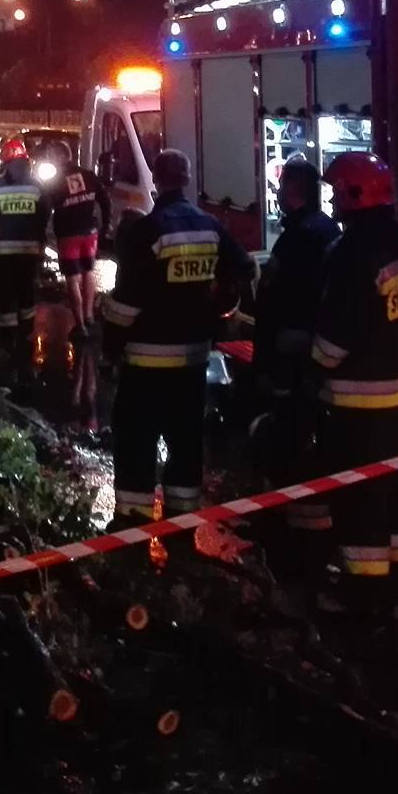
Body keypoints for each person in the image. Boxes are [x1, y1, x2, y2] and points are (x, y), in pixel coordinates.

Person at [101, 148, 252, 523]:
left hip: (146, 363)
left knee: (137, 438)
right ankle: (183, 518)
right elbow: (246, 267)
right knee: (186, 440)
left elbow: (126, 304)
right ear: (186, 180)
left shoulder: (148, 230)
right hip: (194, 360)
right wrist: (216, 298)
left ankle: (133, 519)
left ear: (156, 178)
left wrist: (109, 352)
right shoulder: (210, 226)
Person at [311, 152, 398, 610]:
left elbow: (338, 331)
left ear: (355, 194)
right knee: (390, 489)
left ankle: (363, 594)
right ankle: (396, 575)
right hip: (397, 390)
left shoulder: (349, 253)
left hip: (356, 399)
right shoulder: (395, 243)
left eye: (337, 191)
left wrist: (313, 366)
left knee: (358, 497)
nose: (333, 199)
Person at [251, 156, 341, 565]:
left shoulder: (295, 238)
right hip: (320, 352)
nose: (278, 193)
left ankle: (290, 534)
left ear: (293, 190)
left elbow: (272, 302)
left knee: (289, 434)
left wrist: (264, 362)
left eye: (282, 186)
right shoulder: (329, 231)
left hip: (290, 354)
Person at [40, 138, 111, 430]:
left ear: (57, 158)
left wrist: (44, 234)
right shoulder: (89, 176)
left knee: (72, 277)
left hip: (68, 234)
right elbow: (104, 201)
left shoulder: (55, 183)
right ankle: (90, 315)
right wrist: (104, 227)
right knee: (89, 272)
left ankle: (80, 323)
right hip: (89, 232)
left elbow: (46, 211)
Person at [0, 136, 50, 344]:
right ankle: (27, 330)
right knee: (26, 288)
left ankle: (7, 336)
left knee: (5, 290)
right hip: (29, 250)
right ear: (26, 161)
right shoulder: (37, 186)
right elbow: (45, 214)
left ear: (5, 163)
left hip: (2, 251)